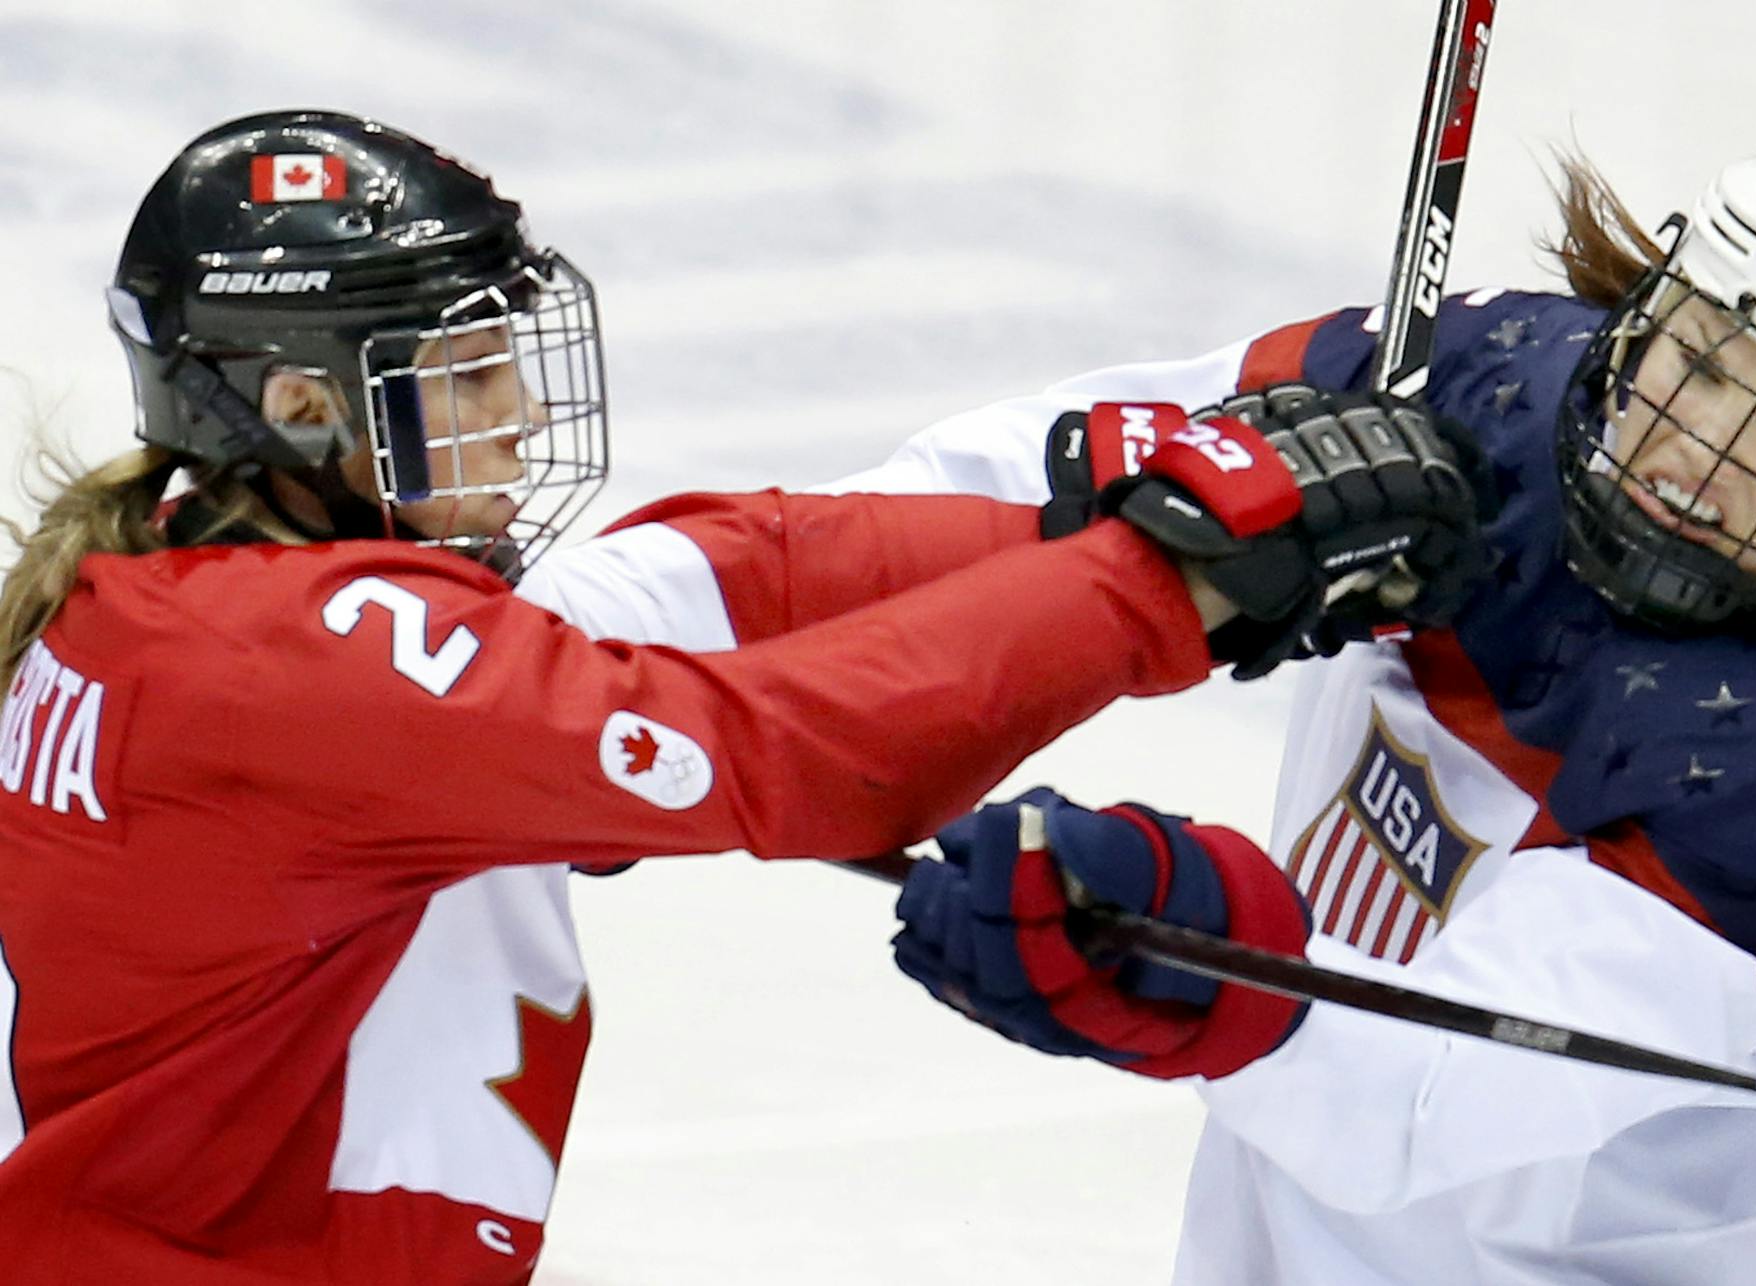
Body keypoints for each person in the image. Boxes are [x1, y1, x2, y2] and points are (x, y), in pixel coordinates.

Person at [0, 110, 1487, 1282]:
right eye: (456, 372)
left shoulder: (198, 596)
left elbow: (723, 582)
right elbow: (786, 757)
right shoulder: (302, 668)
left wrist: (1070, 515)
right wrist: (1169, 579)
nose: (513, 413)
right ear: (302, 403)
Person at [868, 105, 1756, 1283]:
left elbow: (1436, 1102)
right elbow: (1028, 483)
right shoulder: (1473, 392)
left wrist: (1175, 939)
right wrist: (738, 611)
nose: (1703, 447)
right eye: (1697, 361)